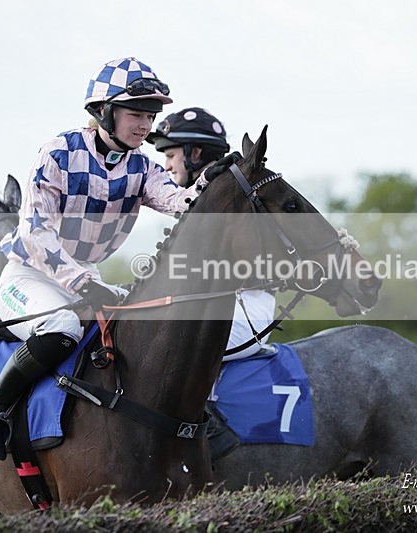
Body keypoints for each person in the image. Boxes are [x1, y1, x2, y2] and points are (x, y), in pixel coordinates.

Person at [0, 57, 218, 461]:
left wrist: (213, 179)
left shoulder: (141, 167)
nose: (145, 125)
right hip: (29, 277)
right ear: (104, 111)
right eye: (136, 114)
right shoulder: (58, 153)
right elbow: (36, 233)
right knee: (64, 324)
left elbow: (181, 202)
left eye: (151, 116)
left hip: (85, 278)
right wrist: (84, 284)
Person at [147, 108, 278, 460]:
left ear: (197, 154)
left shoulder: (232, 200)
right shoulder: (196, 200)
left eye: (171, 155)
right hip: (217, 301)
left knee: (180, 334)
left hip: (248, 306)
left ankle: (209, 426)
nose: (168, 165)